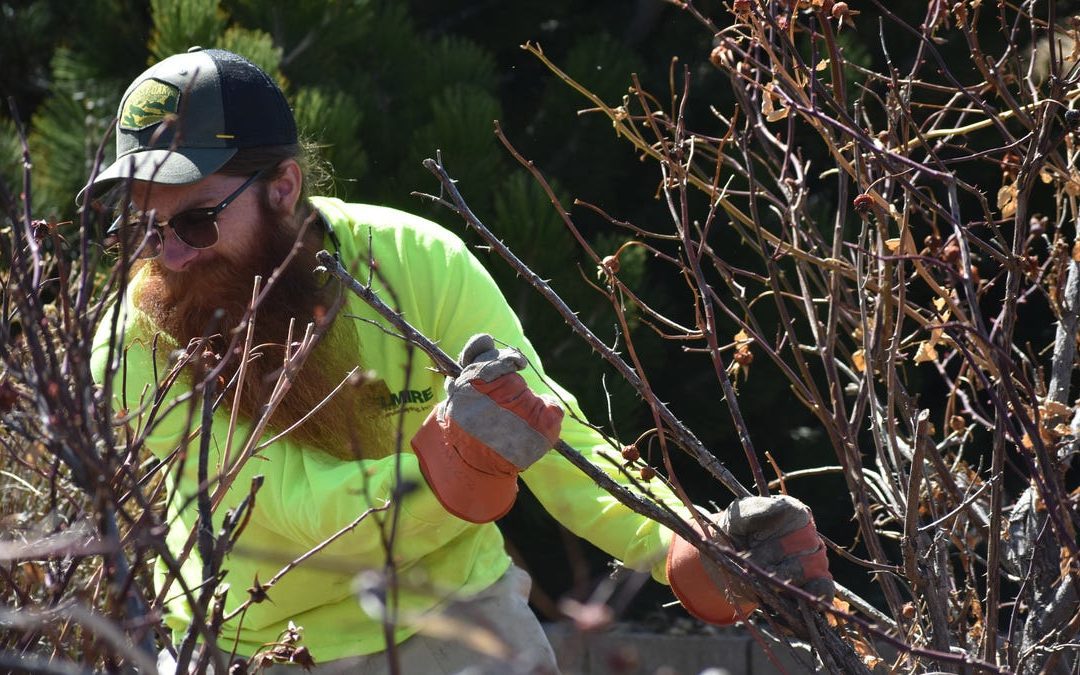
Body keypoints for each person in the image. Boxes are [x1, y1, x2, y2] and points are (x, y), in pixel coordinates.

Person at [87, 48, 833, 673]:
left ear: (283, 187)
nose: (167, 253)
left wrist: (675, 543)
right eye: (142, 225)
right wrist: (442, 472)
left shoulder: (417, 264)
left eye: (195, 219)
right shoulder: (135, 342)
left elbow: (549, 432)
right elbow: (280, 504)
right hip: (251, 642)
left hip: (454, 611)